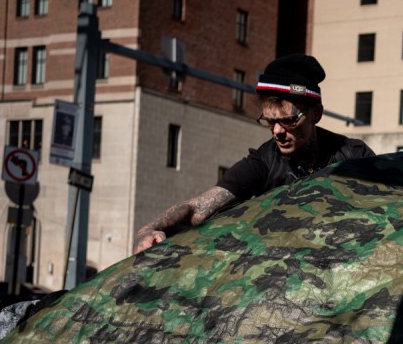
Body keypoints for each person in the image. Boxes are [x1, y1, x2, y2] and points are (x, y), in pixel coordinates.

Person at [134, 54, 374, 253]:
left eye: (289, 121)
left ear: (316, 114)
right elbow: (197, 209)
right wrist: (147, 231)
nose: (278, 131)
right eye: (270, 122)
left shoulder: (353, 154)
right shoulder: (263, 162)